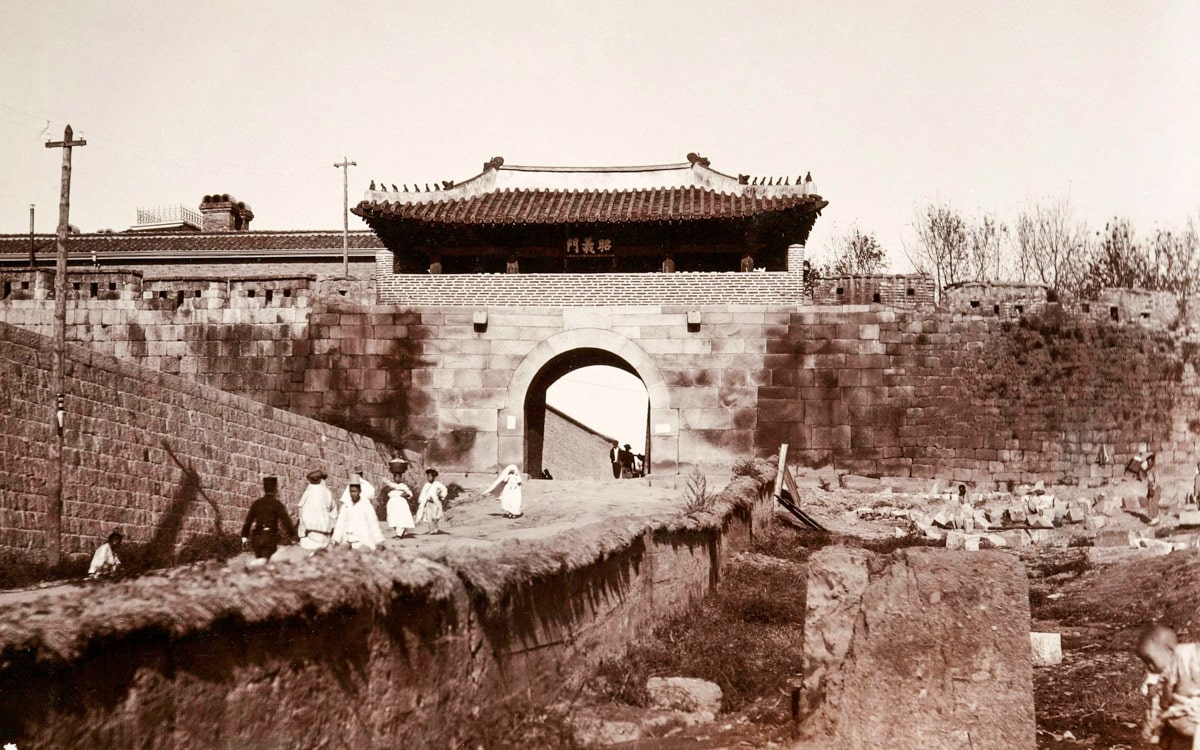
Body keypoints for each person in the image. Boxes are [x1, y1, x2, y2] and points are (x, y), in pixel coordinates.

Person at [1136, 622, 1200, 748]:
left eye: (1150, 660)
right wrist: (1152, 690)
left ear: (1171, 651)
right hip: (1166, 721)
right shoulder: (1155, 676)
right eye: (1145, 662)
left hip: (1188, 719)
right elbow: (1152, 696)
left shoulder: (1186, 666)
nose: (1149, 666)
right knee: (1168, 742)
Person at [241, 476, 297, 564]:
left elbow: (248, 521)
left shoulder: (257, 503)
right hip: (269, 537)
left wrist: (244, 537)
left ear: (264, 488)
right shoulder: (277, 504)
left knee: (260, 562)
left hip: (256, 537)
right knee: (265, 563)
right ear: (275, 489)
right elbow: (285, 521)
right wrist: (293, 536)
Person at [331, 478, 385, 551]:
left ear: (359, 491)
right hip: (348, 540)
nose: (353, 494)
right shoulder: (346, 506)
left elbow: (373, 524)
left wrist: (379, 540)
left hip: (363, 541)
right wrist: (336, 539)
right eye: (351, 491)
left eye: (355, 491)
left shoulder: (366, 506)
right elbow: (340, 523)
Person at [296, 469, 335, 552]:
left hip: (309, 536)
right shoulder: (327, 493)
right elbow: (333, 512)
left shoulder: (307, 493)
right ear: (321, 480)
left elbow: (300, 509)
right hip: (325, 536)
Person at [381, 458, 416, 539]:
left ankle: (399, 534)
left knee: (400, 517)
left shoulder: (403, 486)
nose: (397, 479)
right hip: (392, 503)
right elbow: (389, 489)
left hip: (400, 503)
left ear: (401, 478)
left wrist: (405, 495)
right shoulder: (391, 485)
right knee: (392, 518)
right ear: (394, 478)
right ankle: (399, 532)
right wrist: (388, 484)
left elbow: (410, 493)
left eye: (398, 477)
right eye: (395, 477)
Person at [416, 468, 447, 534]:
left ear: (434, 477)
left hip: (435, 503)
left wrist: (441, 495)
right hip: (428, 503)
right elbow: (423, 493)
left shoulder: (437, 484)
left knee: (435, 517)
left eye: (430, 476)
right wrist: (421, 500)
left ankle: (435, 529)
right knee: (429, 517)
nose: (428, 478)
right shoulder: (426, 485)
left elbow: (444, 489)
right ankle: (431, 530)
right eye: (428, 476)